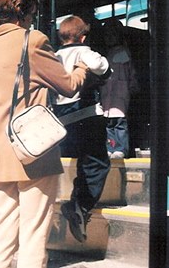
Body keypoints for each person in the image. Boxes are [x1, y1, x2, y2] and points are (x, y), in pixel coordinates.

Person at [0, 0, 89, 268]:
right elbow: (69, 86)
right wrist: (82, 65)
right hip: (33, 152)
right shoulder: (34, 41)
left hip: (0, 154)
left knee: (2, 236)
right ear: (24, 12)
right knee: (33, 236)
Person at [53, 15, 112, 243]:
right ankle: (80, 204)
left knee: (83, 160)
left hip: (63, 119)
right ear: (83, 36)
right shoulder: (85, 52)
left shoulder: (55, 56)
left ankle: (77, 202)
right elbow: (103, 68)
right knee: (97, 162)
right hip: (86, 115)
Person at [100, 18, 138, 159]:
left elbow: (130, 72)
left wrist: (133, 85)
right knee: (110, 124)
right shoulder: (108, 53)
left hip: (119, 94)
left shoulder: (122, 52)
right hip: (109, 95)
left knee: (120, 123)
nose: (109, 38)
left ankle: (120, 148)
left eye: (112, 35)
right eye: (107, 35)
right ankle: (111, 147)